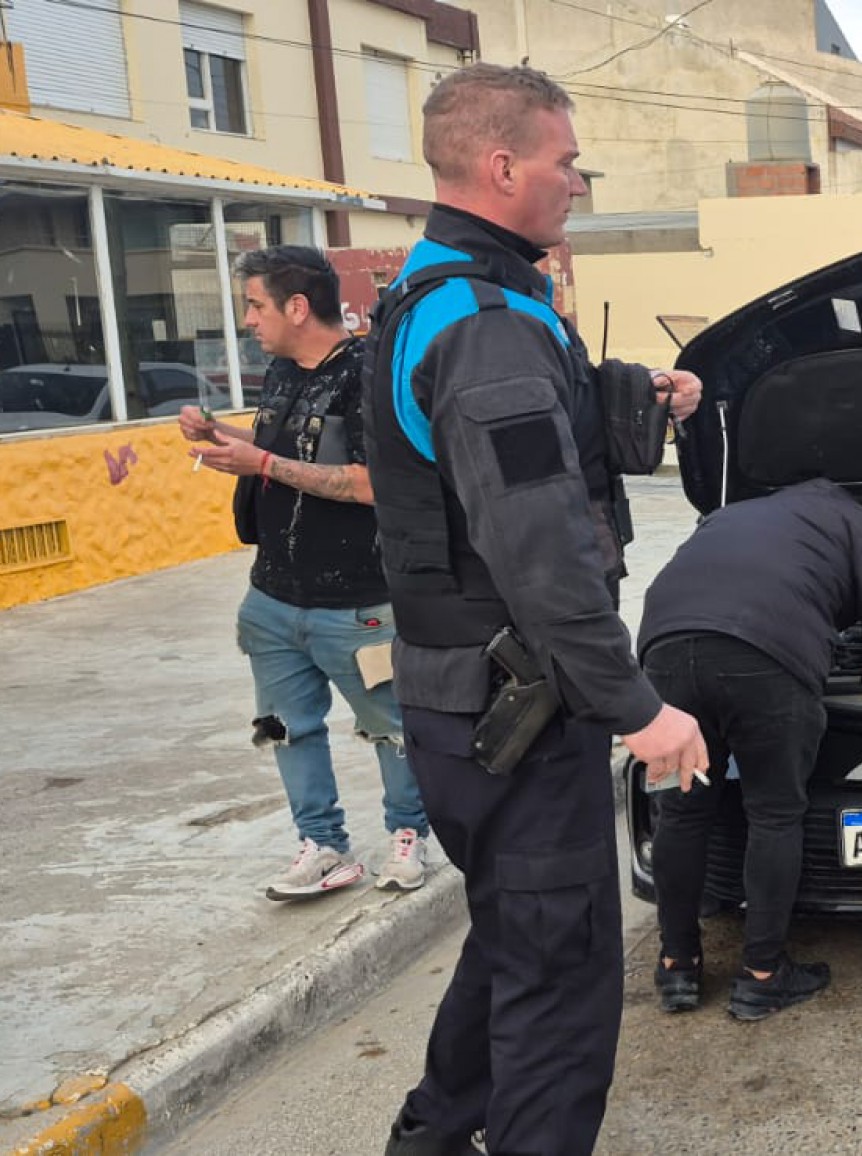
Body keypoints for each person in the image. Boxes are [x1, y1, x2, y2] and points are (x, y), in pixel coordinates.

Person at [360, 64, 710, 1156]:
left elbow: (487, 451)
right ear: (503, 166)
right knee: (559, 979)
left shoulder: (439, 290)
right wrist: (638, 708)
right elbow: (542, 550)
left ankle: (431, 1136)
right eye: (567, 161)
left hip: (455, 704)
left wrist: (633, 395)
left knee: (514, 934)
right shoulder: (485, 322)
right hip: (514, 709)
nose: (578, 182)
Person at [182, 246, 430, 901]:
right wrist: (219, 435)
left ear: (296, 306)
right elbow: (284, 449)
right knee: (285, 728)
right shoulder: (282, 371)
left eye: (255, 305)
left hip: (361, 606)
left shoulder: (369, 375)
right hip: (272, 600)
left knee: (391, 725)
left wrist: (262, 465)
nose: (248, 320)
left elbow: (375, 484)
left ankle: (409, 836)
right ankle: (321, 845)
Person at [636, 479, 862, 1021]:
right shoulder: (857, 520)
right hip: (763, 655)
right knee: (774, 813)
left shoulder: (733, 516)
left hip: (665, 647)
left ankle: (677, 965)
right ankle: (763, 975)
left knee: (680, 809)